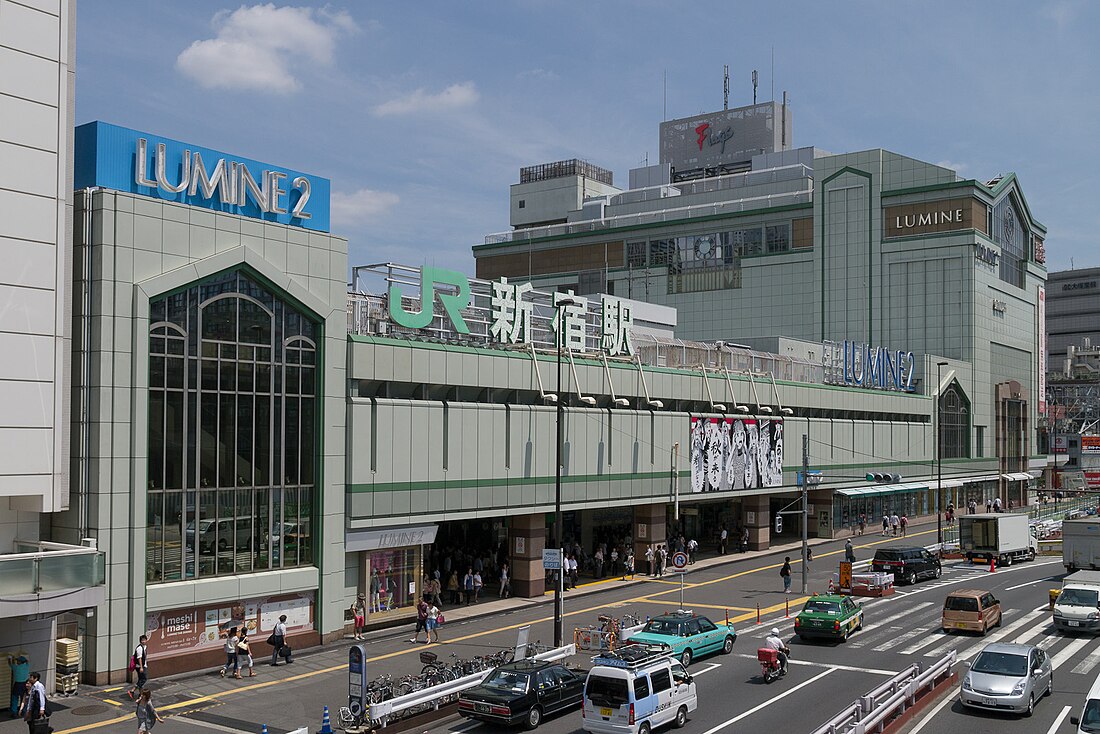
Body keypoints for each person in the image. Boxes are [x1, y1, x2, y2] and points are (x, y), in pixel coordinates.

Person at [127, 634, 149, 699]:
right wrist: (141, 667)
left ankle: (141, 695)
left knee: (140, 680)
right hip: (140, 666)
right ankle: (132, 690)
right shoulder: (139, 648)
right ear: (140, 641)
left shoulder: (145, 647)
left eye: (144, 640)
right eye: (142, 640)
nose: (143, 641)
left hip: (143, 665)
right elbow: (139, 658)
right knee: (144, 679)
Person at [9, 654, 29, 719]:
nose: (17, 662)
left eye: (18, 661)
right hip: (25, 684)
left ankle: (14, 712)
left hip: (17, 684)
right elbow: (27, 661)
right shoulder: (27, 666)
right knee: (23, 698)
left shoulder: (16, 667)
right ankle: (23, 711)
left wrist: (9, 659)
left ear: (20, 662)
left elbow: (10, 664)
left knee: (15, 698)